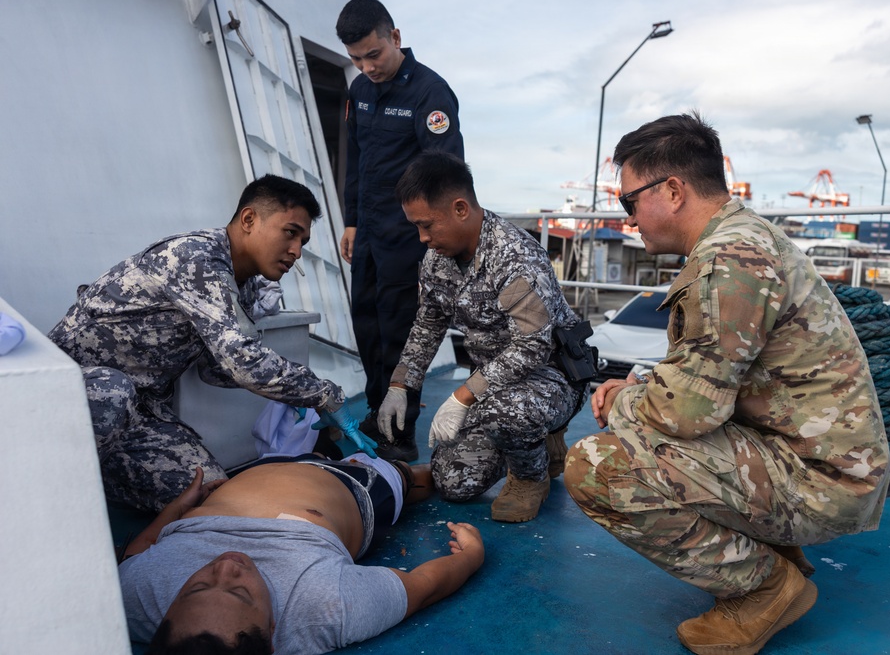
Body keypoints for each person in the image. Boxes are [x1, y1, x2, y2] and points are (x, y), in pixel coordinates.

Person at [563, 113, 890, 654]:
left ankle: (764, 588)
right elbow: (714, 378)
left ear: (672, 191)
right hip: (816, 458)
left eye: (628, 202)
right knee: (644, 420)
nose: (628, 219)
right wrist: (644, 390)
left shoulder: (729, 259)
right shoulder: (741, 238)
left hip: (824, 482)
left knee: (597, 466)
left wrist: (625, 398)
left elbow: (685, 414)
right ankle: (776, 552)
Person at [48, 174, 375, 512]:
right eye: (290, 233)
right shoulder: (197, 258)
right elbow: (241, 360)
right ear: (249, 219)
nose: (296, 251)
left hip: (140, 410)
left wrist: (289, 395)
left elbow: (216, 368)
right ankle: (49, 495)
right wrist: (323, 395)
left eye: (303, 242)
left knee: (208, 489)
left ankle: (97, 472)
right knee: (114, 391)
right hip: (76, 392)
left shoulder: (243, 284)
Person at [379, 152, 590, 523]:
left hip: (552, 377)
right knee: (454, 481)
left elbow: (533, 346)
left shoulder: (514, 257)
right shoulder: (436, 260)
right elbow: (428, 325)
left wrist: (463, 395)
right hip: (492, 385)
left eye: (427, 225)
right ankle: (538, 445)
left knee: (510, 412)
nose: (423, 238)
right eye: (416, 227)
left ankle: (530, 477)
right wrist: (401, 385)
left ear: (461, 208)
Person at [118, 455, 484, 654]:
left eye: (195, 587)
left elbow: (137, 554)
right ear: (273, 630)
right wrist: (471, 557)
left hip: (249, 468)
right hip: (348, 482)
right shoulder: (324, 608)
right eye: (239, 591)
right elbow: (423, 587)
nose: (225, 566)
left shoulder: (137, 602)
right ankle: (412, 472)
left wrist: (178, 507)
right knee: (413, 476)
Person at [336, 0, 464, 462]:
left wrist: (436, 244)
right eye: (356, 59)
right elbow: (356, 163)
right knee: (366, 324)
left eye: (374, 54)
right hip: (368, 232)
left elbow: (447, 173)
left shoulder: (431, 94)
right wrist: (351, 221)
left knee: (399, 330)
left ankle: (400, 432)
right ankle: (377, 412)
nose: (366, 66)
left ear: (395, 38)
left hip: (409, 238)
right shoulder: (359, 93)